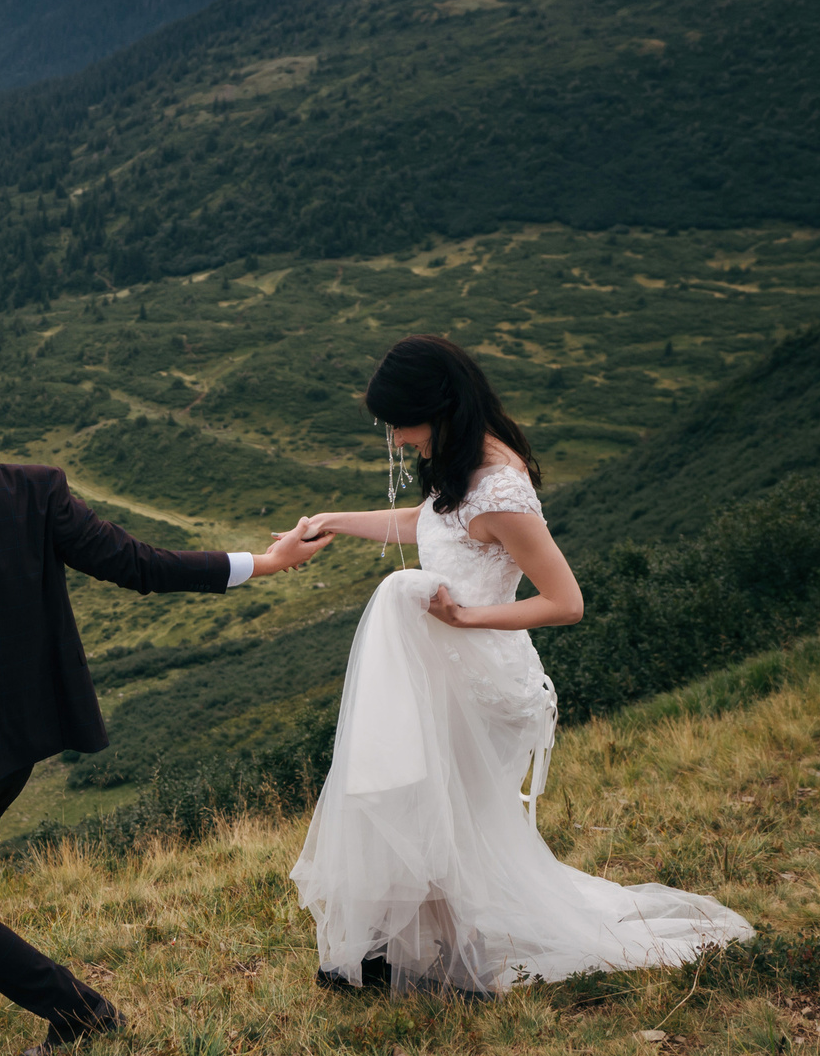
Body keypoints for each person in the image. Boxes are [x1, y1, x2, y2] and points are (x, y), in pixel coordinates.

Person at [0, 344, 331, 1056]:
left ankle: (81, 1012)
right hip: (15, 747)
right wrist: (264, 562)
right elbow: (140, 565)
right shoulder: (37, 489)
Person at [289, 335, 752, 994]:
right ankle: (411, 951)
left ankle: (451, 962)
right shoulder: (459, 463)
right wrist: (330, 522)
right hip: (447, 671)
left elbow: (566, 602)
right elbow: (427, 526)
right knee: (426, 804)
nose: (396, 439)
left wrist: (468, 619)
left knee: (449, 816)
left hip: (485, 683)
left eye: (403, 423)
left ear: (440, 408)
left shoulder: (500, 488)